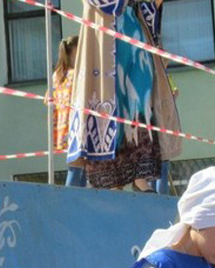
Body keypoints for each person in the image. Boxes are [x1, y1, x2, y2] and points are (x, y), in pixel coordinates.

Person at [67, 0, 181, 192]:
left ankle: (140, 178)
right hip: (107, 35)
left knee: (140, 102)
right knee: (113, 103)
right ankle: (115, 182)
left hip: (134, 32)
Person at [47, 35, 86, 187]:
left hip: (62, 127)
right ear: (74, 52)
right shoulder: (75, 74)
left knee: (79, 165)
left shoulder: (57, 75)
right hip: (76, 124)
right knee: (77, 164)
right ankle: (70, 200)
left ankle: (78, 201)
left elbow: (47, 100)